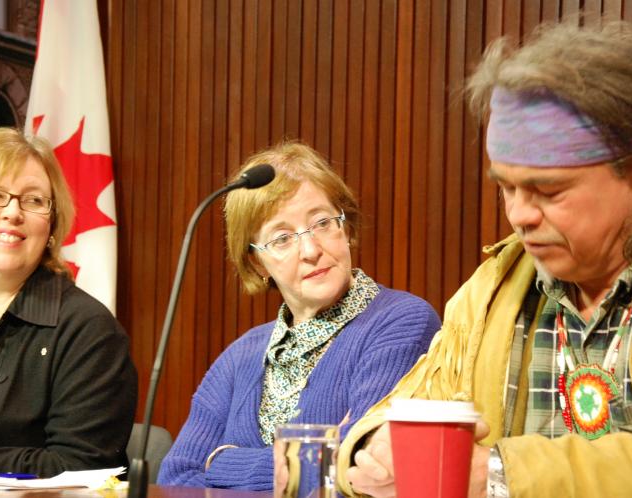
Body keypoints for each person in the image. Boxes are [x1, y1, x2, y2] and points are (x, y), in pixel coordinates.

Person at [335, 20, 632, 498]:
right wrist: (370, 451)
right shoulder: (493, 289)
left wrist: (499, 473)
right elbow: (397, 414)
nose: (518, 215)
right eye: (506, 187)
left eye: (547, 190)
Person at [157, 142, 441, 490]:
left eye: (322, 223)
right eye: (282, 239)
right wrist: (314, 457)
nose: (310, 250)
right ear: (258, 263)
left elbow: (361, 466)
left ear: (346, 229)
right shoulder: (241, 355)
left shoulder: (401, 322)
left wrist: (220, 461)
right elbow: (177, 478)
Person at [0, 128, 137, 477]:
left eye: (33, 200)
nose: (13, 212)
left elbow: (82, 468)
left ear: (50, 228)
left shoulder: (87, 331)